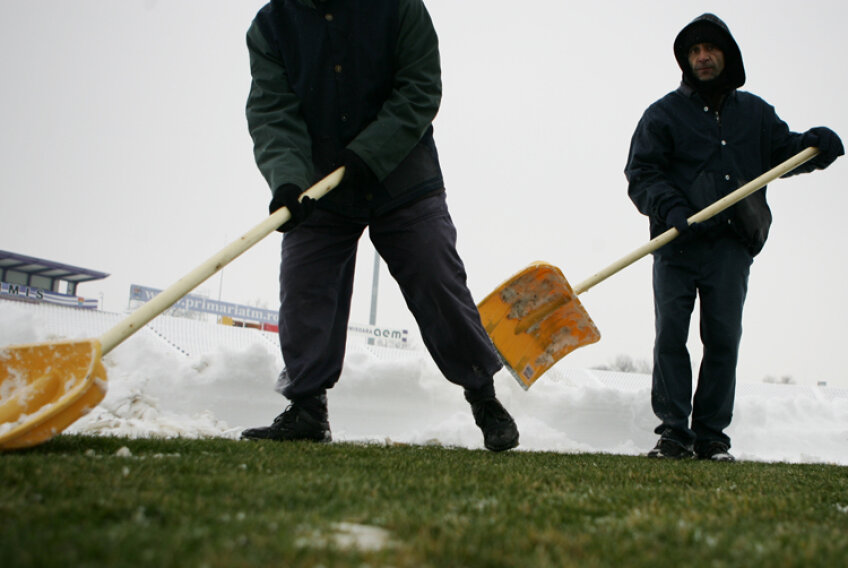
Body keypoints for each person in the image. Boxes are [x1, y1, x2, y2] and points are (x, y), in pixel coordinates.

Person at [240, 0, 519, 452]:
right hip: (319, 185)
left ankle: (483, 396)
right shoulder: (272, 26)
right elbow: (273, 111)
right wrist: (288, 179)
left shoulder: (398, 7)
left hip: (403, 175)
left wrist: (371, 152)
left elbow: (419, 88)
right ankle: (307, 408)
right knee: (304, 285)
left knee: (436, 278)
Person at [625, 13, 843, 462]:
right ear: (686, 60)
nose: (703, 57)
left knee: (722, 338)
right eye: (694, 51)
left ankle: (711, 437)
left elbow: (787, 153)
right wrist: (672, 208)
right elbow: (641, 172)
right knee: (670, 336)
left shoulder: (756, 115)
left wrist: (816, 147)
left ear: (727, 54)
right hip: (676, 245)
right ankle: (672, 434)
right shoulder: (663, 114)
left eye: (711, 49)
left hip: (731, 246)